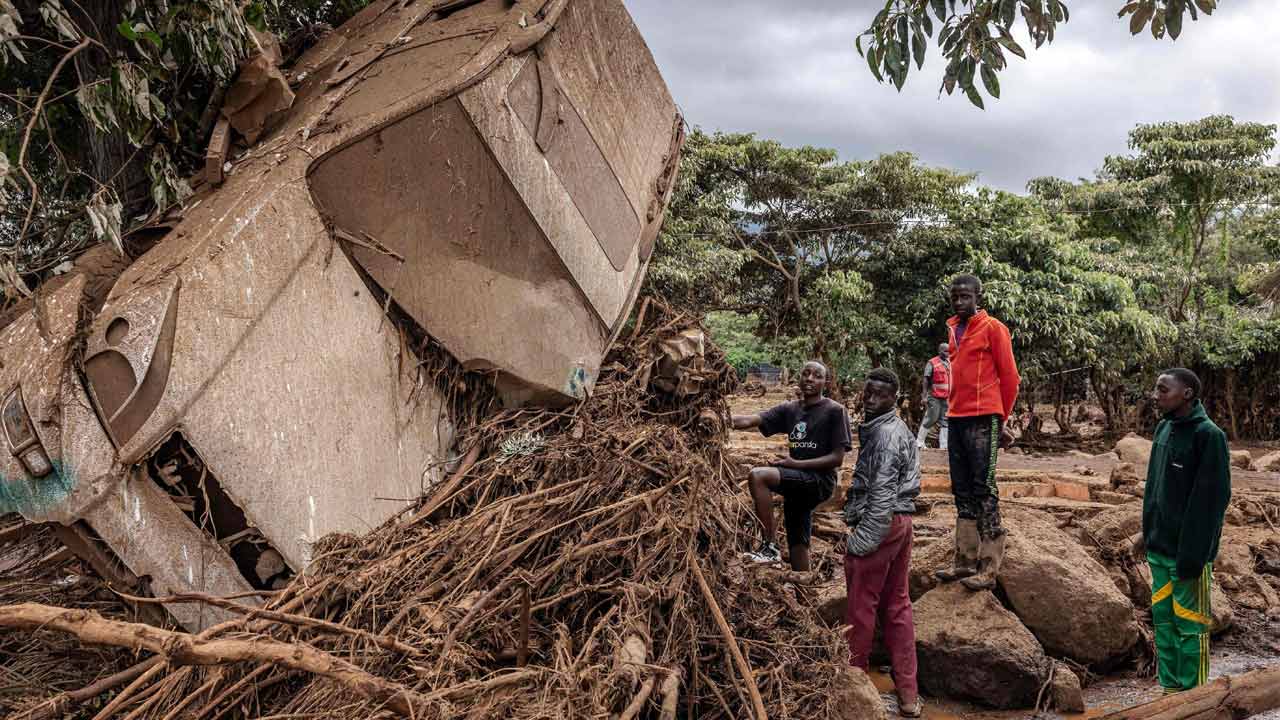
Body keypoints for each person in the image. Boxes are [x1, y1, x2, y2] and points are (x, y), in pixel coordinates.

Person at [1144, 368, 1231, 694]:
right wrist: (1146, 535)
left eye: (1163, 389)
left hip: (1188, 555)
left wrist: (1193, 557)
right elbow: (1155, 489)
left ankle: (1195, 697)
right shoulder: (1164, 428)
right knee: (1163, 623)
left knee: (1191, 627)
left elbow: (1211, 502)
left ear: (1187, 394)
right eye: (1156, 389)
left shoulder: (1209, 436)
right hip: (1159, 550)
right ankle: (1169, 693)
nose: (1155, 395)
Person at [843, 368, 922, 718]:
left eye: (880, 395)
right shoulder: (897, 428)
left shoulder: (885, 436)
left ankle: (855, 689)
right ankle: (908, 695)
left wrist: (859, 543)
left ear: (895, 398)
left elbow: (882, 494)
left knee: (861, 608)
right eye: (868, 392)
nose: (871, 399)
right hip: (902, 522)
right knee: (898, 606)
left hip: (883, 523)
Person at [934, 274, 1020, 591]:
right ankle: (964, 560)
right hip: (956, 416)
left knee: (984, 488)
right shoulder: (952, 329)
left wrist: (1002, 418)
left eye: (965, 296)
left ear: (977, 297)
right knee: (961, 488)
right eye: (955, 297)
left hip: (984, 416)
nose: (959, 302)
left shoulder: (994, 328)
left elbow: (1010, 378)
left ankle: (989, 566)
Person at [732, 361, 851, 571]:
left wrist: (796, 463)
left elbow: (837, 458)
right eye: (806, 373)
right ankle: (803, 583)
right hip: (798, 481)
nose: (810, 379)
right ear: (799, 377)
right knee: (797, 543)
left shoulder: (835, 410)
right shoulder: (790, 409)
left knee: (758, 476)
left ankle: (769, 547)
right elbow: (751, 420)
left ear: (826, 382)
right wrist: (719, 418)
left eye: (817, 376)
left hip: (820, 481)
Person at [916, 342, 951, 450]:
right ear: (939, 351)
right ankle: (919, 442)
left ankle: (944, 446)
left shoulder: (950, 362)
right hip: (934, 396)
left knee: (945, 420)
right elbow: (926, 379)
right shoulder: (932, 362)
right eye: (945, 351)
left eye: (948, 351)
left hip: (947, 397)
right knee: (931, 418)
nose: (947, 353)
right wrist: (924, 396)